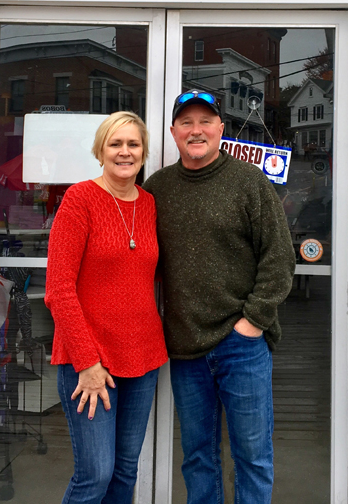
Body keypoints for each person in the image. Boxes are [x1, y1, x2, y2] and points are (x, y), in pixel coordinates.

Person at [143, 90, 295, 504]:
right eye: (186, 123)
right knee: (198, 457)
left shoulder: (249, 182)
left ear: (220, 129)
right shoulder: (156, 189)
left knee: (252, 455)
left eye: (205, 121)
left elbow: (279, 259)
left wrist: (252, 323)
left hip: (240, 344)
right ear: (173, 132)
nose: (196, 130)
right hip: (185, 347)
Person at [45, 111, 168, 504]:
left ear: (144, 152)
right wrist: (86, 362)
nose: (125, 152)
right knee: (94, 475)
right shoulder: (80, 199)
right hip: (90, 363)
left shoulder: (149, 205)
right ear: (100, 150)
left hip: (143, 358)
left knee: (124, 472)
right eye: (116, 143)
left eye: (133, 144)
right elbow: (58, 290)